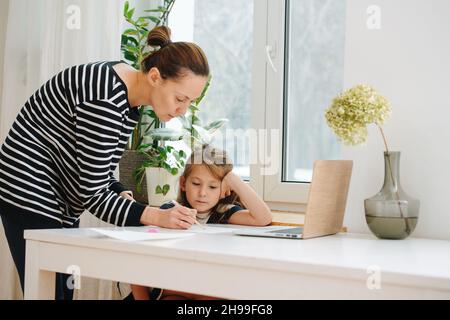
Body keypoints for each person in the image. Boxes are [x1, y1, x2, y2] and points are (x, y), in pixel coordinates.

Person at [0, 26, 208, 300]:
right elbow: (93, 194)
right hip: (29, 189)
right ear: (155, 77)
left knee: (60, 291)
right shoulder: (106, 101)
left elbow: (94, 168)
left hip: (57, 194)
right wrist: (156, 215)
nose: (181, 111)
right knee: (50, 293)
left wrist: (118, 188)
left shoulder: (126, 95)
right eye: (180, 99)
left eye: (189, 103)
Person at [130, 145, 273, 300]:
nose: (203, 193)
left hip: (210, 290)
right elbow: (137, 258)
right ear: (183, 183)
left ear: (225, 189)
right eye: (196, 184)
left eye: (212, 186)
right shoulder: (169, 212)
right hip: (173, 291)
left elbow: (263, 218)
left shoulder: (224, 213)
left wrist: (232, 178)